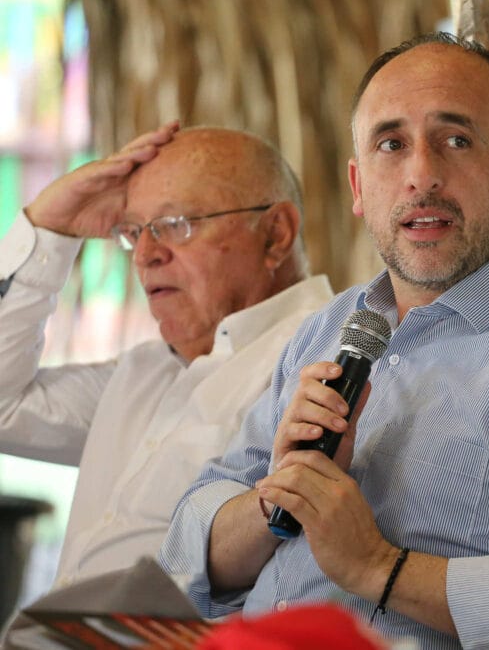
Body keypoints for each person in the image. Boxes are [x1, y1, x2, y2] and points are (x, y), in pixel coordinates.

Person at [159, 33, 489, 649]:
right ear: (357, 185)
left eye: (456, 140)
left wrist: (378, 566)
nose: (421, 175)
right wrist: (279, 500)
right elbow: (185, 551)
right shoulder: (327, 330)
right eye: (391, 144)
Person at [0, 124, 334, 589]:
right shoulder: (144, 371)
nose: (145, 255)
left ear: (275, 234)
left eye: (175, 225)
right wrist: (50, 227)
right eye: (134, 232)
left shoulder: (327, 359)